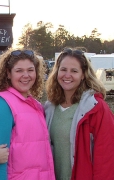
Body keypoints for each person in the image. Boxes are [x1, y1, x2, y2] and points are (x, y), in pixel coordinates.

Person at [0, 49, 55, 180]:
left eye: (30, 70)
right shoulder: (0, 105)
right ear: (8, 73)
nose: (26, 75)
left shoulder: (34, 104)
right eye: (19, 70)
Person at [45, 47, 114, 180]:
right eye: (63, 69)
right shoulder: (49, 108)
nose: (67, 75)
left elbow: (107, 158)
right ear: (57, 71)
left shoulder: (96, 109)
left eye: (74, 71)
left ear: (83, 75)